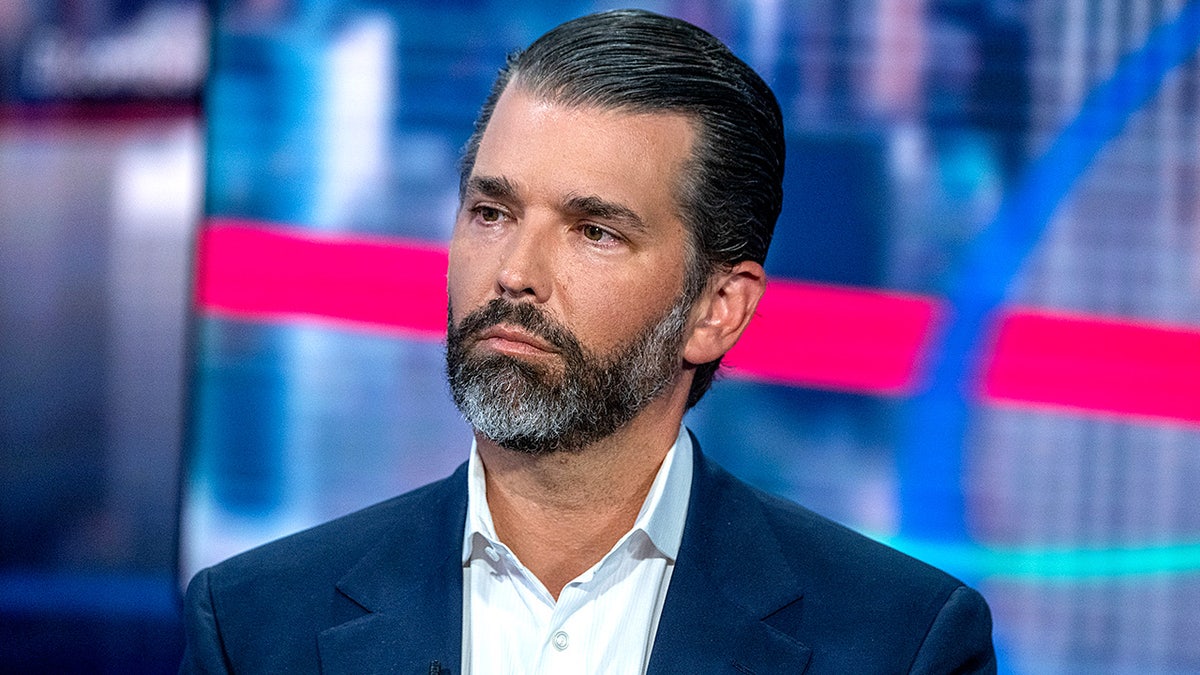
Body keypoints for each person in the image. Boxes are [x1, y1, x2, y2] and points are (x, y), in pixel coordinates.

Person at [181, 9, 995, 674]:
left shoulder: (899, 644)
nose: (515, 272)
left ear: (719, 308)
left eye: (595, 230)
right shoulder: (254, 628)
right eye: (491, 213)